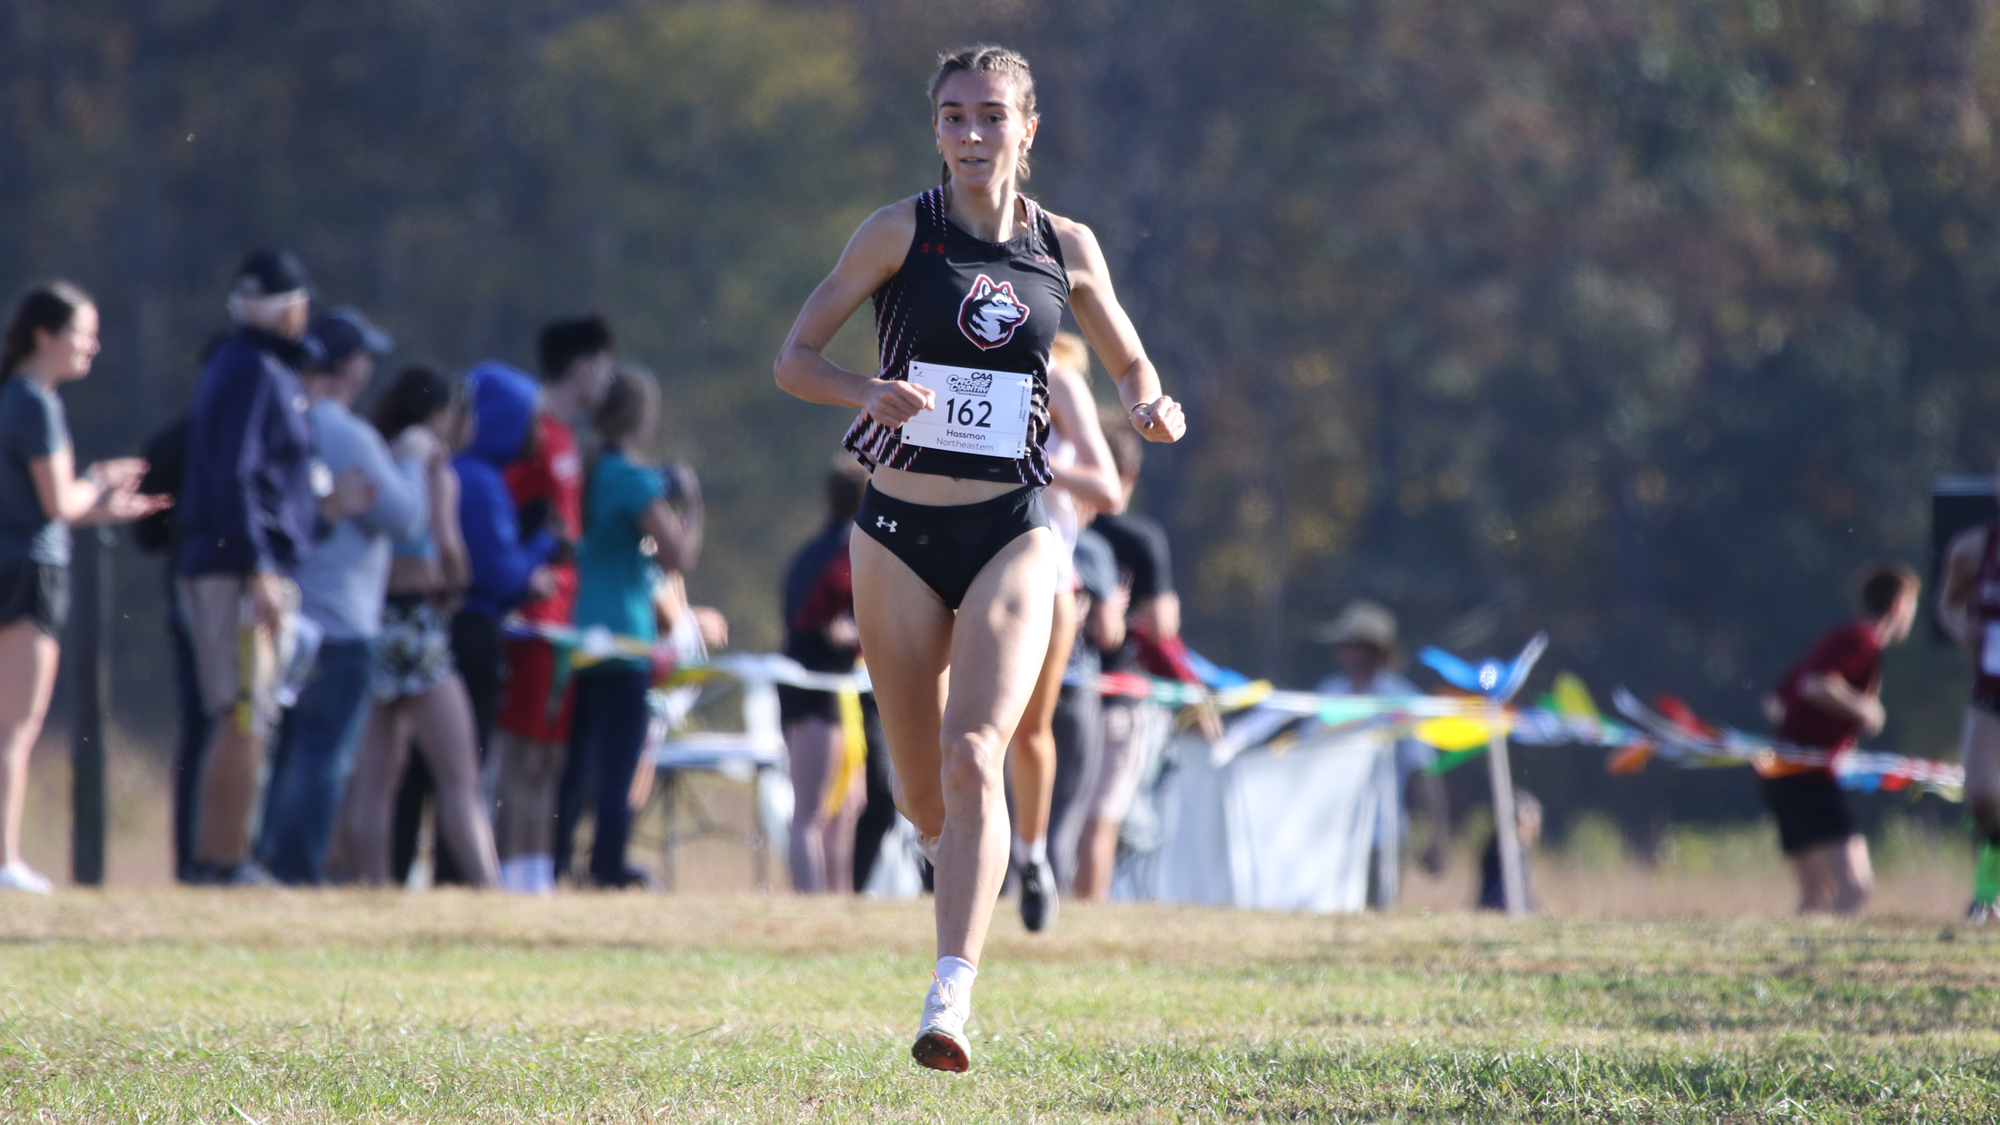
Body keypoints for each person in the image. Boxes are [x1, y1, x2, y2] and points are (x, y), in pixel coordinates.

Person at [774, 45, 1187, 1072]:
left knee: (976, 754)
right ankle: (940, 852)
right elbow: (794, 359)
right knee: (920, 792)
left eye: (990, 116)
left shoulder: (1066, 246)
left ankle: (949, 997)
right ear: (935, 130)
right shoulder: (894, 232)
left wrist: (1149, 400)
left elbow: (1128, 353)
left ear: (1027, 129)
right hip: (897, 538)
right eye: (953, 117)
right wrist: (863, 392)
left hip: (1014, 530)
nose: (970, 135)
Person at [176, 251, 373, 885]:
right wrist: (258, 564)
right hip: (237, 571)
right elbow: (234, 476)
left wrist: (321, 515)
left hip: (248, 564)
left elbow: (265, 485)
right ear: (291, 308)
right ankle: (222, 861)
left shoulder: (249, 367)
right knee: (242, 713)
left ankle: (226, 857)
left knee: (251, 714)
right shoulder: (255, 370)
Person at [0, 283, 165, 893]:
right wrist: (96, 484)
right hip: (27, 576)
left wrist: (102, 507)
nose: (91, 346)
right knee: (15, 727)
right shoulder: (35, 403)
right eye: (81, 333)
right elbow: (56, 501)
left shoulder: (11, 399)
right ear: (45, 335)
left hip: (11, 561)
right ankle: (5, 862)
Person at [257, 310, 423, 885]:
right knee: (324, 756)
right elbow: (405, 518)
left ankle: (265, 859)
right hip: (345, 624)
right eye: (364, 357)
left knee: (285, 752)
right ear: (347, 367)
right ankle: (297, 869)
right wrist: (414, 460)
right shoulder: (349, 433)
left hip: (289, 615)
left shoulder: (287, 420)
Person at [332, 366, 500, 887]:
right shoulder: (433, 464)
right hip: (418, 622)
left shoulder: (381, 454)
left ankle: (374, 885)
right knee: (459, 774)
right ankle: (489, 890)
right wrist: (460, 584)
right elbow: (448, 547)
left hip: (374, 618)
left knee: (378, 774)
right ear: (439, 415)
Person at [553, 367, 702, 888]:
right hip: (623, 636)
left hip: (574, 632)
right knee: (619, 763)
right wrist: (691, 503)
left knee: (574, 760)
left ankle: (553, 862)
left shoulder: (587, 469)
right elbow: (677, 556)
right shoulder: (632, 479)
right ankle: (607, 866)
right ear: (640, 417)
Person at [1002, 330, 1122, 930]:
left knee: (1030, 731)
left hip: (1049, 581)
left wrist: (1042, 467)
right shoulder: (971, 366)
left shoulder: (1065, 394)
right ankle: (950, 843)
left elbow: (1108, 491)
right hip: (971, 566)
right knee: (965, 730)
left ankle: (1032, 855)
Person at [491, 316, 614, 893]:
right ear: (583, 367)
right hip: (529, 622)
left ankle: (536, 877)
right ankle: (511, 877)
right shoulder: (531, 431)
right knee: (519, 756)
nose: (608, 382)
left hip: (562, 621)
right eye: (605, 367)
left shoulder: (566, 437)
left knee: (548, 759)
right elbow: (503, 518)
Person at [1073, 416, 1208, 901]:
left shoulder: (1057, 530)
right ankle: (1086, 920)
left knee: (1052, 812)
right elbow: (1164, 625)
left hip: (1059, 689)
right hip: (1120, 695)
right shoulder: (1142, 539)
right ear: (1128, 475)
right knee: (1101, 820)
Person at [1759, 562, 1920, 916]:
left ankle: (1791, 964)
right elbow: (1814, 685)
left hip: (1783, 775)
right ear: (1898, 605)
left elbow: (1775, 702)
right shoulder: (1860, 639)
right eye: (1912, 605)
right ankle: (1821, 969)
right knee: (1855, 889)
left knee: (1816, 899)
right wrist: (1866, 710)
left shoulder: (1840, 636)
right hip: (1808, 778)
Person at [1310, 599, 1448, 908]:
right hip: (1329, 833)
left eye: (1350, 644)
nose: (1340, 650)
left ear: (1372, 650)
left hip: (1381, 836)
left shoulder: (1401, 700)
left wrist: (1437, 838)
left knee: (1374, 919)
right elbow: (1304, 758)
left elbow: (1422, 772)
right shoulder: (1329, 693)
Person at [778, 460, 871, 894]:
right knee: (811, 815)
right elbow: (826, 622)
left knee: (849, 805)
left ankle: (840, 907)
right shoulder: (845, 552)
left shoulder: (812, 549)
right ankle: (811, 910)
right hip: (816, 685)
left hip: (834, 686)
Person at [1933, 467, 2000, 919]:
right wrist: (1962, 628)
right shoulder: (1973, 547)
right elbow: (1947, 604)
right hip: (1988, 692)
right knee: (1982, 797)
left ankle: (1987, 894)